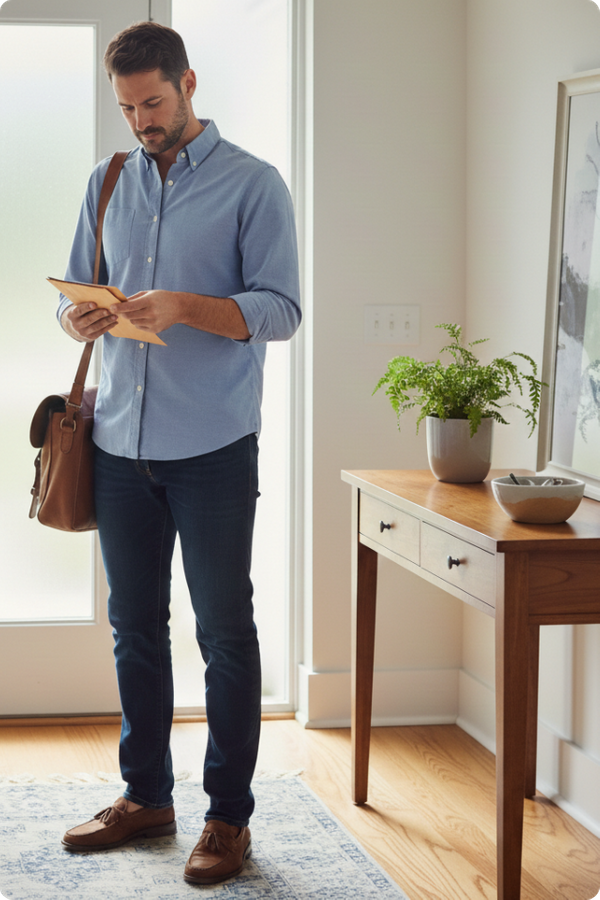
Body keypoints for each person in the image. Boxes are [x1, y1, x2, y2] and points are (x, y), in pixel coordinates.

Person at [57, 21, 301, 885]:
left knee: (224, 633)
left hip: (212, 448)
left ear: (189, 84)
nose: (140, 121)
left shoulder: (253, 184)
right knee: (134, 630)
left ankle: (227, 818)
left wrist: (188, 307)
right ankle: (146, 798)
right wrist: (79, 314)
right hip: (119, 442)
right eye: (126, 107)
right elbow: (71, 290)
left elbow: (280, 312)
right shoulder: (107, 178)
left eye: (152, 102)